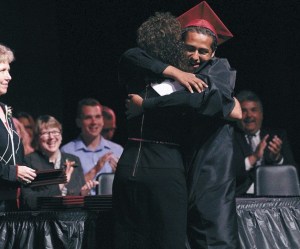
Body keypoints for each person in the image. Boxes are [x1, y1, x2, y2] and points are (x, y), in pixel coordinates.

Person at [122, 2, 240, 248]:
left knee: (213, 235)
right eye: (189, 48)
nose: (195, 56)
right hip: (181, 162)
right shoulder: (174, 72)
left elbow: (213, 102)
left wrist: (146, 105)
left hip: (210, 165)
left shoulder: (217, 69)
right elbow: (131, 55)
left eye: (203, 51)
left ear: (212, 54)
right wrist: (176, 72)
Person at [21, 115, 98, 210]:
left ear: (61, 135)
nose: (51, 137)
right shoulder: (29, 161)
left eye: (55, 132)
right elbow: (28, 201)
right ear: (37, 137)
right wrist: (60, 185)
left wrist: (83, 194)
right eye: (45, 133)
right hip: (45, 220)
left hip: (73, 220)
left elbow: (78, 197)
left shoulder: (73, 160)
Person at [233, 90, 297, 196]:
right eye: (244, 111)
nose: (249, 115)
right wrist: (253, 158)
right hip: (242, 198)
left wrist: (277, 159)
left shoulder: (277, 136)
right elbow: (226, 174)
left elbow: (293, 173)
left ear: (261, 114)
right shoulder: (230, 138)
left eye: (253, 110)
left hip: (275, 197)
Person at [0, 43, 36, 211]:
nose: (9, 77)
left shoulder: (6, 111)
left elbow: (16, 158)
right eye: (2, 71)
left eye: (8, 70)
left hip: (11, 204)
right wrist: (13, 172)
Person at [60, 98, 123, 195]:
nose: (94, 122)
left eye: (98, 117)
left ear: (102, 120)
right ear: (78, 122)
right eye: (88, 117)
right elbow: (68, 190)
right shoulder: (67, 151)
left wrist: (120, 175)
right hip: (81, 208)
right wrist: (95, 169)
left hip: (112, 207)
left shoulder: (117, 150)